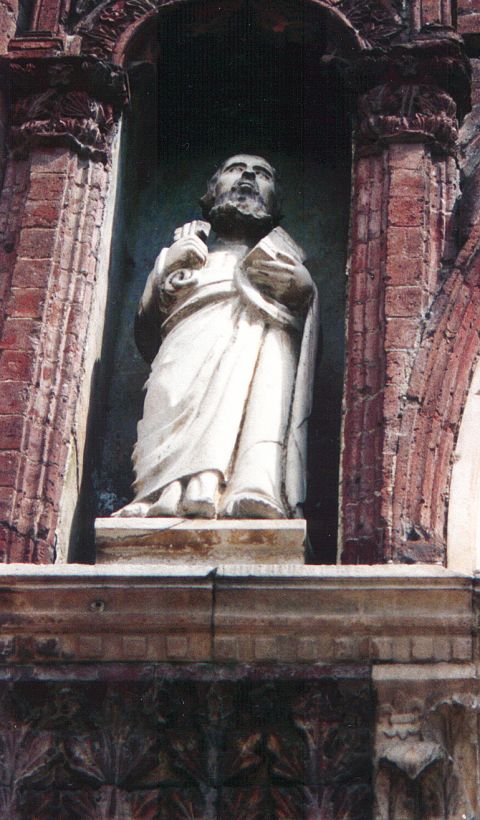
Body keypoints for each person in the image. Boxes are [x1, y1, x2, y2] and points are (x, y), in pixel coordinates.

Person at [115, 154, 318, 519]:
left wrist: (303, 291)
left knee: (264, 390)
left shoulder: (285, 262)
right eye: (235, 170)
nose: (249, 178)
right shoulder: (185, 253)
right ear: (211, 192)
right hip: (184, 350)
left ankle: (250, 488)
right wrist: (167, 267)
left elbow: (308, 349)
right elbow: (146, 332)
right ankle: (161, 494)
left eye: (262, 174)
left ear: (275, 202)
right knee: (169, 392)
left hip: (260, 348)